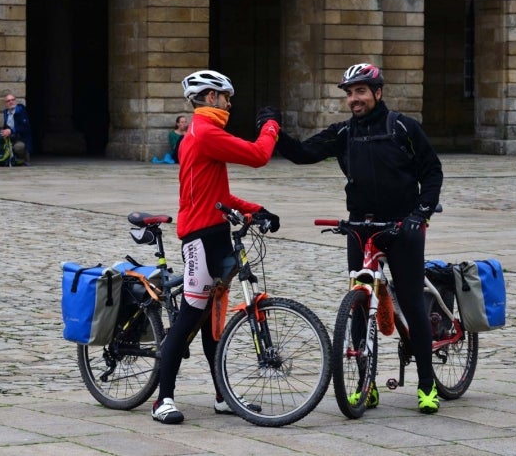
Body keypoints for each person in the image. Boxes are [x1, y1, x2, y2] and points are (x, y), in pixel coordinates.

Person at [259, 63, 444, 414]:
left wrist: (420, 214)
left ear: (378, 93)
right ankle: (365, 383)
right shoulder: (344, 133)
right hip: (362, 227)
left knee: (411, 302)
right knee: (359, 305)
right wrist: (273, 129)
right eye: (349, 93)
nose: (353, 99)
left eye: (360, 91)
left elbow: (432, 172)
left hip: (403, 225)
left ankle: (426, 383)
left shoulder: (403, 127)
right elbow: (302, 154)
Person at [151, 70, 281, 424]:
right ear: (211, 97)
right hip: (199, 236)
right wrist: (271, 125)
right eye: (226, 97)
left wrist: (256, 210)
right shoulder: (205, 132)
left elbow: (218, 196)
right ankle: (163, 399)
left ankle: (223, 396)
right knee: (192, 315)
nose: (229, 103)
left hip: (216, 230)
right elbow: (258, 155)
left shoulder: (205, 132)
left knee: (212, 322)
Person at [0, 94, 33, 166]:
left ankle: (23, 158)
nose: (11, 102)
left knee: (18, 147)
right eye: (8, 101)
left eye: (12, 100)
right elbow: (6, 126)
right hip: (10, 138)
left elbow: (25, 127)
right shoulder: (6, 112)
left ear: (15, 101)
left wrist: (11, 131)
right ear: (6, 104)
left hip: (21, 138)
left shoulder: (21, 111)